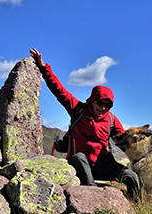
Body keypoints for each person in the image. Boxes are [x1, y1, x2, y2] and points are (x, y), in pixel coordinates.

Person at [29, 48, 141, 200]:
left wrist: (150, 145)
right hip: (80, 165)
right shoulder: (78, 109)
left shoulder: (111, 120)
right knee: (79, 157)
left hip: (103, 164)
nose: (103, 108)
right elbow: (59, 90)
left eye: (107, 105)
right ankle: (92, 197)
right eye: (100, 103)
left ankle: (138, 206)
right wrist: (44, 68)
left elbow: (125, 140)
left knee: (131, 176)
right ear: (92, 100)